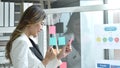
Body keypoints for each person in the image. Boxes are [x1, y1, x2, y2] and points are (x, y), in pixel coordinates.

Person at [5, 5, 72, 68]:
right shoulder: (21, 42)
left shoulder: (30, 41)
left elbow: (42, 66)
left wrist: (59, 56)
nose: (41, 28)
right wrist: (46, 60)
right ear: (31, 22)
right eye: (41, 23)